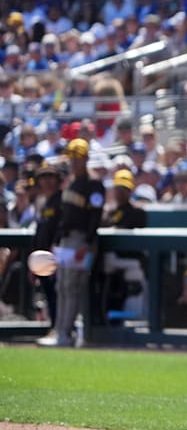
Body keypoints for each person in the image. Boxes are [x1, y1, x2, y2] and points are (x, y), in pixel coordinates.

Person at [37, 139, 104, 347]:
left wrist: (87, 243)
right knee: (62, 287)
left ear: (85, 158)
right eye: (72, 158)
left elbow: (95, 217)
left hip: (81, 240)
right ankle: (60, 331)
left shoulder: (94, 184)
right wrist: (56, 242)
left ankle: (65, 334)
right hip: (66, 241)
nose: (74, 162)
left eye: (78, 158)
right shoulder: (71, 183)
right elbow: (64, 217)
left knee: (72, 286)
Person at [100, 169, 149, 318]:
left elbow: (131, 227)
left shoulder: (137, 211)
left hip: (130, 259)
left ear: (130, 190)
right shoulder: (109, 211)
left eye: (125, 189)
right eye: (118, 189)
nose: (121, 193)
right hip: (107, 262)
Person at [30, 163, 62, 326]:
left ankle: (59, 327)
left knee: (58, 294)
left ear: (57, 180)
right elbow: (39, 230)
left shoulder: (61, 200)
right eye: (43, 177)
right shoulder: (42, 202)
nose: (47, 181)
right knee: (48, 295)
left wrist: (55, 248)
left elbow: (62, 227)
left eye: (50, 177)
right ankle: (54, 326)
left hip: (57, 256)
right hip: (42, 258)